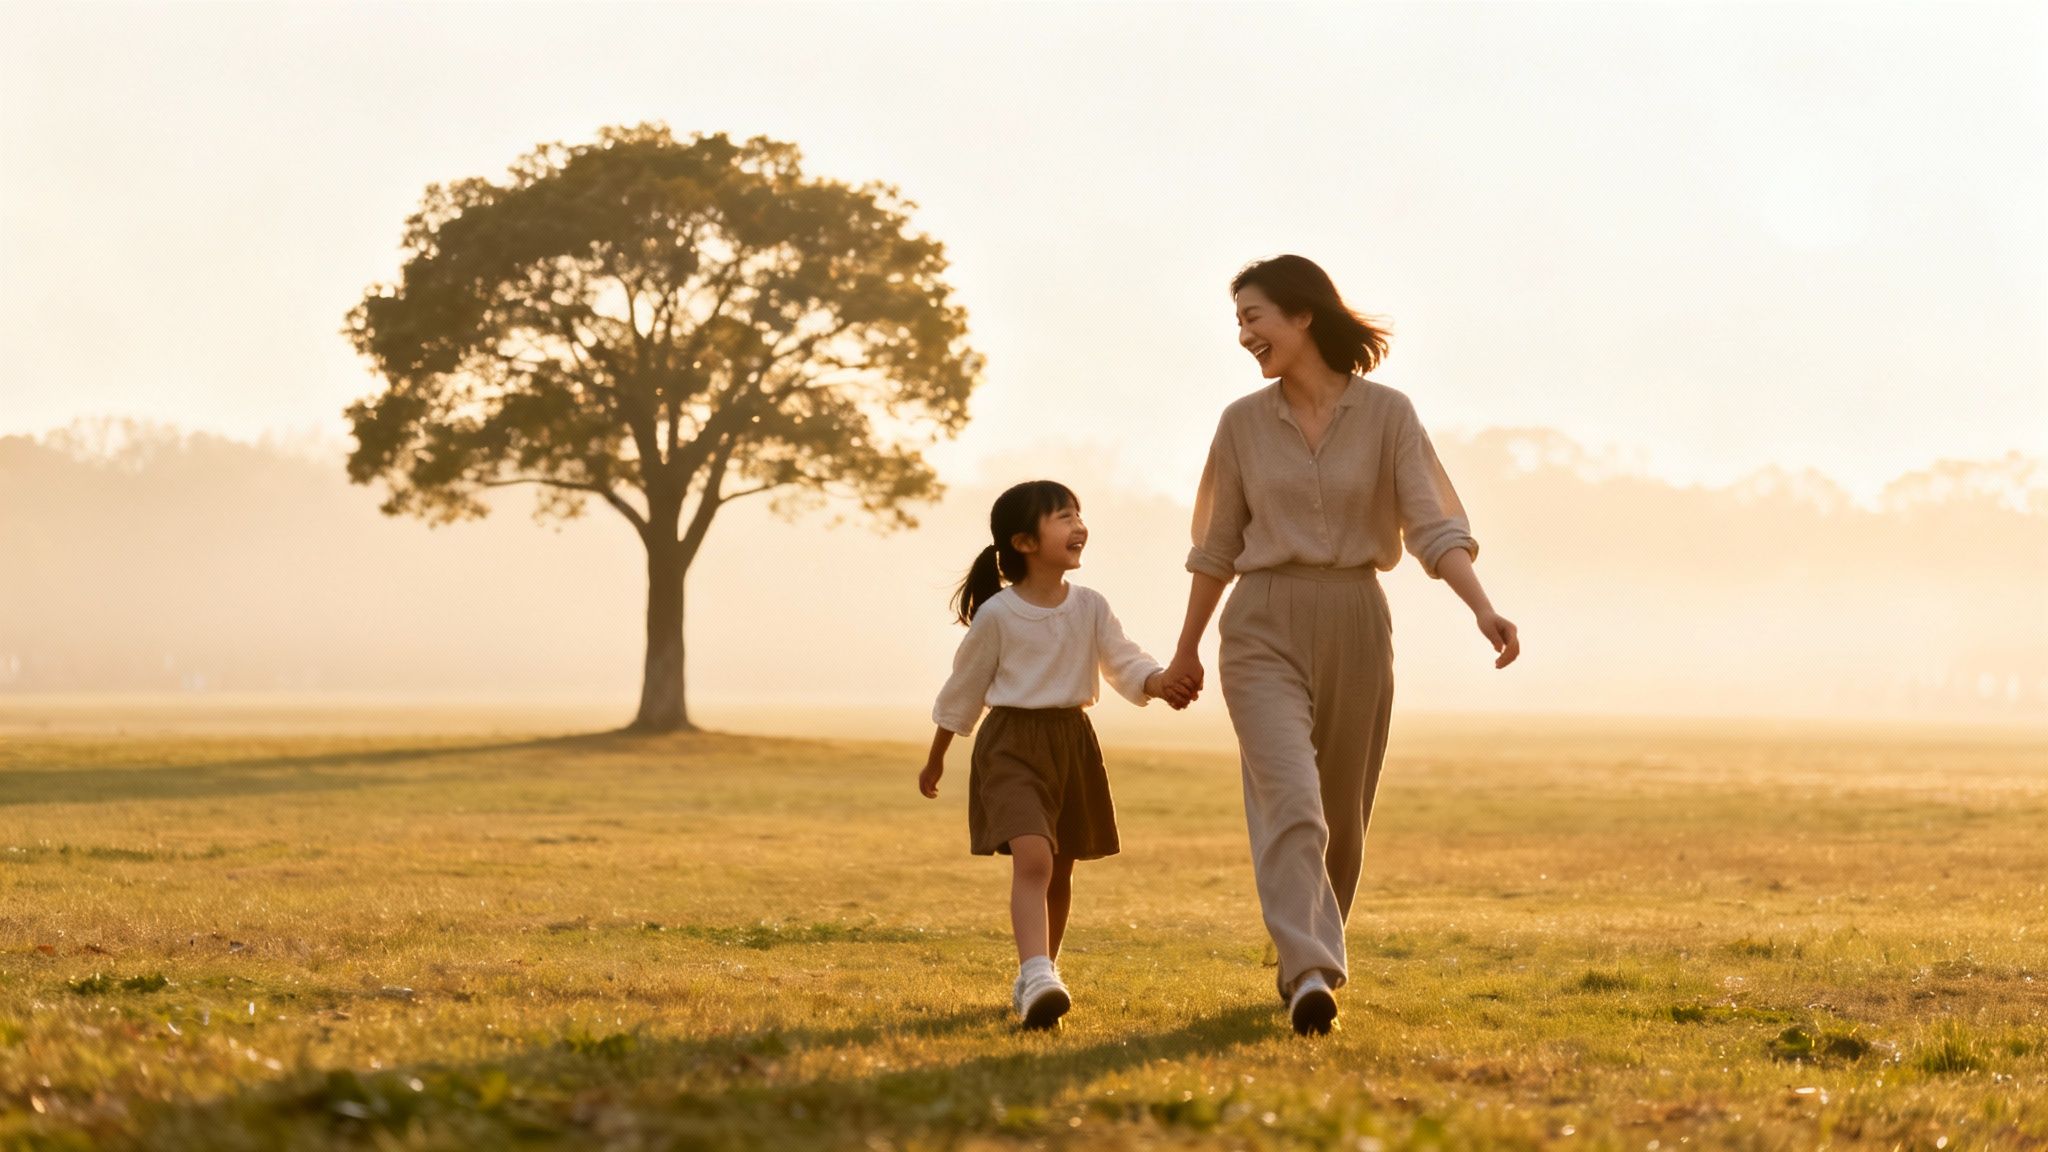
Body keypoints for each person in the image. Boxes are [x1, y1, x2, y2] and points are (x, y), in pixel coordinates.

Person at [1158, 255, 1521, 1036]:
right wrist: (1185, 651)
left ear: (1303, 316)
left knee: (1341, 819)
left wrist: (1481, 609)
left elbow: (1432, 525)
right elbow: (1215, 548)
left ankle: (1305, 957)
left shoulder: (1389, 413)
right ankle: (1313, 972)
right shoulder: (1240, 425)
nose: (1244, 334)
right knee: (1292, 800)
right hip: (1261, 622)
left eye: (1254, 317)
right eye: (1238, 322)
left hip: (1357, 616)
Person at [921, 479, 1190, 1029]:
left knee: (1061, 865)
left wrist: (1159, 682)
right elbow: (962, 689)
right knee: (1035, 858)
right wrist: (937, 756)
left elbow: (1123, 660)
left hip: (1072, 743)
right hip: (1012, 745)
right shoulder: (997, 614)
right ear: (1024, 542)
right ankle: (1038, 973)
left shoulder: (1090, 606)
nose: (1078, 526)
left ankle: (1040, 977)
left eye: (1078, 515)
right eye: (1063, 517)